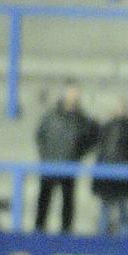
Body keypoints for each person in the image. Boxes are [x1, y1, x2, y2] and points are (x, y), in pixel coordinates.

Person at [34, 83, 99, 234]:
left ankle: (66, 236)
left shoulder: (82, 119)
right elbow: (40, 135)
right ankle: (38, 234)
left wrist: (77, 155)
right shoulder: (51, 115)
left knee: (68, 203)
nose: (73, 96)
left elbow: (92, 138)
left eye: (75, 93)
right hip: (49, 164)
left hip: (69, 165)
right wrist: (45, 155)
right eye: (71, 92)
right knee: (44, 201)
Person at [92, 98, 128, 236]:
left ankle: (124, 242)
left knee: (124, 210)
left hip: (123, 176)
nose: (121, 111)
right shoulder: (106, 127)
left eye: (124, 108)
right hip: (107, 175)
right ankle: (100, 242)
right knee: (105, 211)